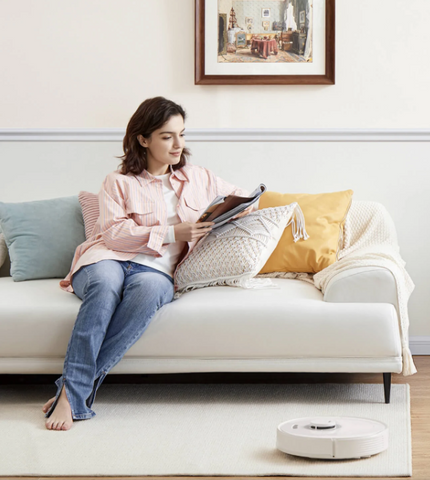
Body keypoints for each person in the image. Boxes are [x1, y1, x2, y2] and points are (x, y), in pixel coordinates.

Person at [42, 96, 254, 431]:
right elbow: (113, 235)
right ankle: (72, 395)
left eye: (182, 134)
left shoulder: (199, 178)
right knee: (105, 287)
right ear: (144, 139)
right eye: (167, 136)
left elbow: (244, 199)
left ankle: (69, 391)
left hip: (155, 270)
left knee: (148, 293)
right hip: (106, 259)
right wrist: (173, 231)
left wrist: (233, 211)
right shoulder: (119, 181)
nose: (178, 145)